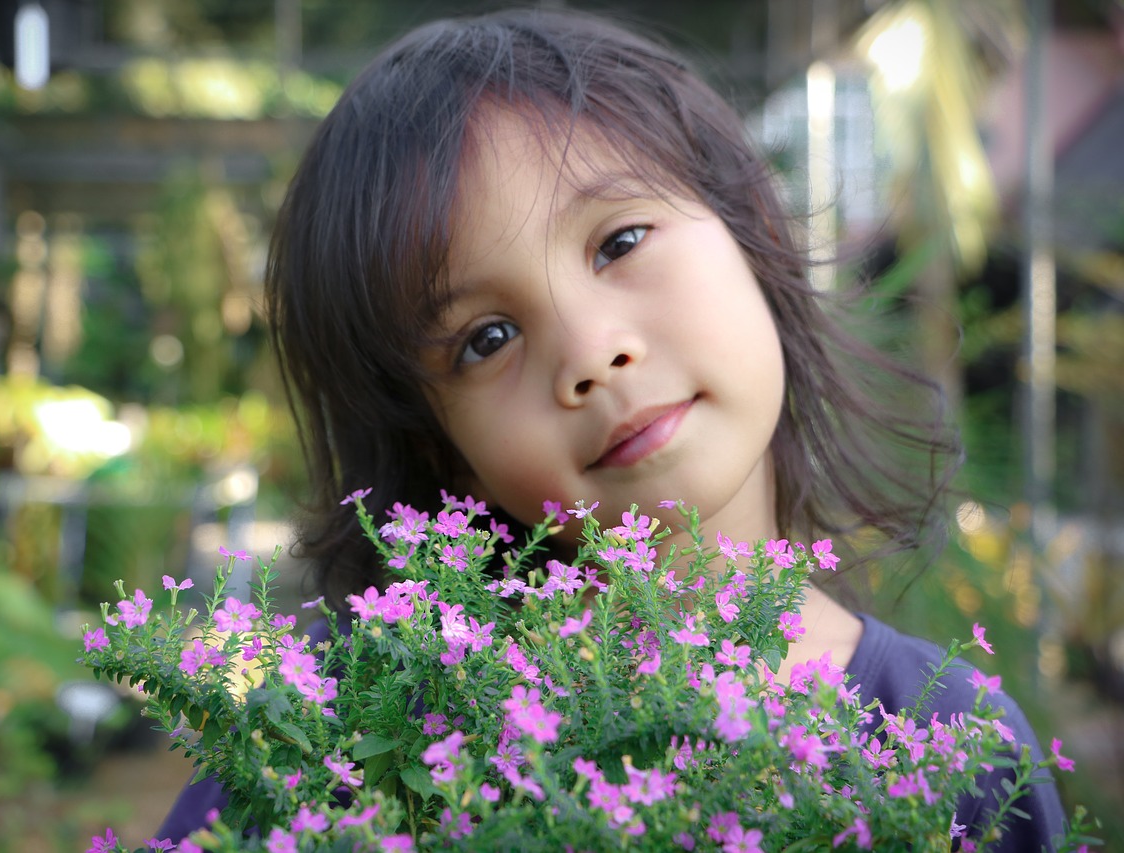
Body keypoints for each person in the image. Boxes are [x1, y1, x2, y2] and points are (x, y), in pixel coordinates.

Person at [157, 8, 1068, 849]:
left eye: (621, 241)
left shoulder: (953, 741)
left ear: (754, 233)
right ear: (443, 452)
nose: (591, 355)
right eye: (488, 339)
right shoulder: (349, 740)